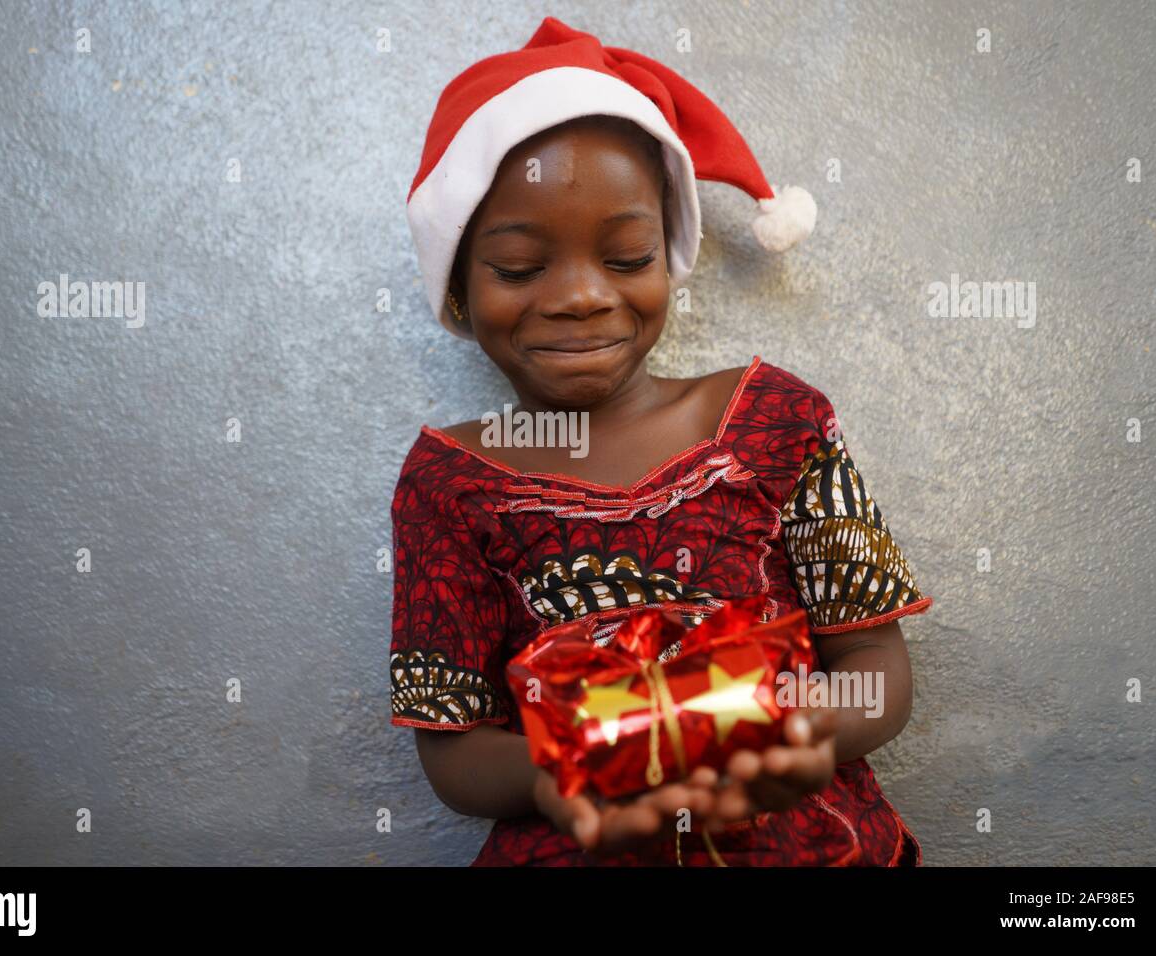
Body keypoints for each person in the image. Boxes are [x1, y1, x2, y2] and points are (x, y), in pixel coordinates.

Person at [388, 16, 933, 866]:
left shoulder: (780, 423)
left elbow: (873, 663)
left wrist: (801, 737)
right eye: (522, 268)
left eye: (628, 256)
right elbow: (454, 753)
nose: (580, 296)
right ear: (457, 287)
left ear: (667, 260)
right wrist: (567, 775)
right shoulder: (448, 484)